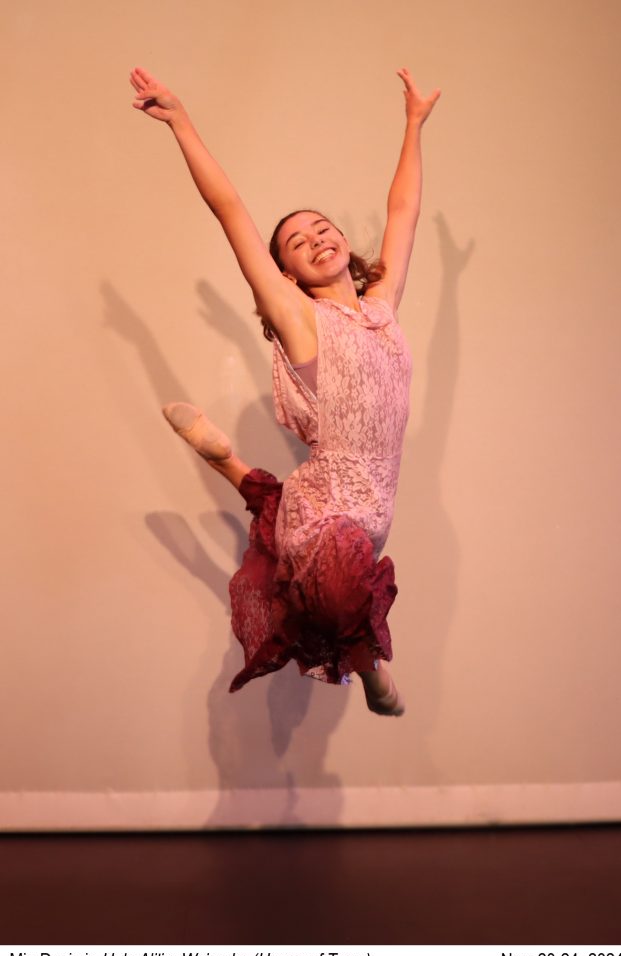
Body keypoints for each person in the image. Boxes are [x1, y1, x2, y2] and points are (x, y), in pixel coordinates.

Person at [130, 65, 440, 716]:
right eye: (297, 242)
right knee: (333, 589)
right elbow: (230, 211)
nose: (316, 238)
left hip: (374, 513)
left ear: (344, 241)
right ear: (288, 273)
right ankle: (374, 676)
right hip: (331, 521)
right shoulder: (302, 321)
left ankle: (229, 462)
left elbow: (404, 210)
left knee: (342, 575)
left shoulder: (382, 305)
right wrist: (182, 122)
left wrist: (413, 124)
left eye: (322, 227)